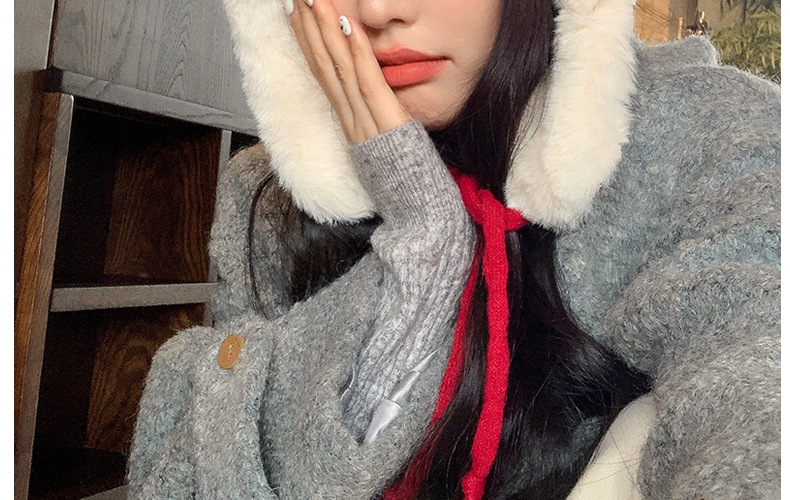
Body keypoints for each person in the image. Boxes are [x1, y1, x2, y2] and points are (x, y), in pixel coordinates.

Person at [127, 0, 780, 497]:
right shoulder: (268, 193)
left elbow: (759, 386)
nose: (379, 12)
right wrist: (422, 246)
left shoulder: (708, 134)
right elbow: (193, 473)